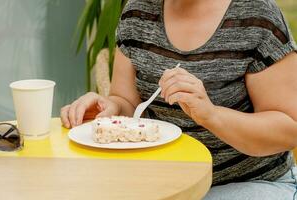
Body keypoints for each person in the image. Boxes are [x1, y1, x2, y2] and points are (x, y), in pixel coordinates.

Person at [61, 0, 297, 199]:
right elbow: (127, 101)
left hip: (247, 182)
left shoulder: (257, 16)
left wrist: (211, 115)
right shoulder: (137, 11)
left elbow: (288, 129)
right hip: (160, 185)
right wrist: (110, 109)